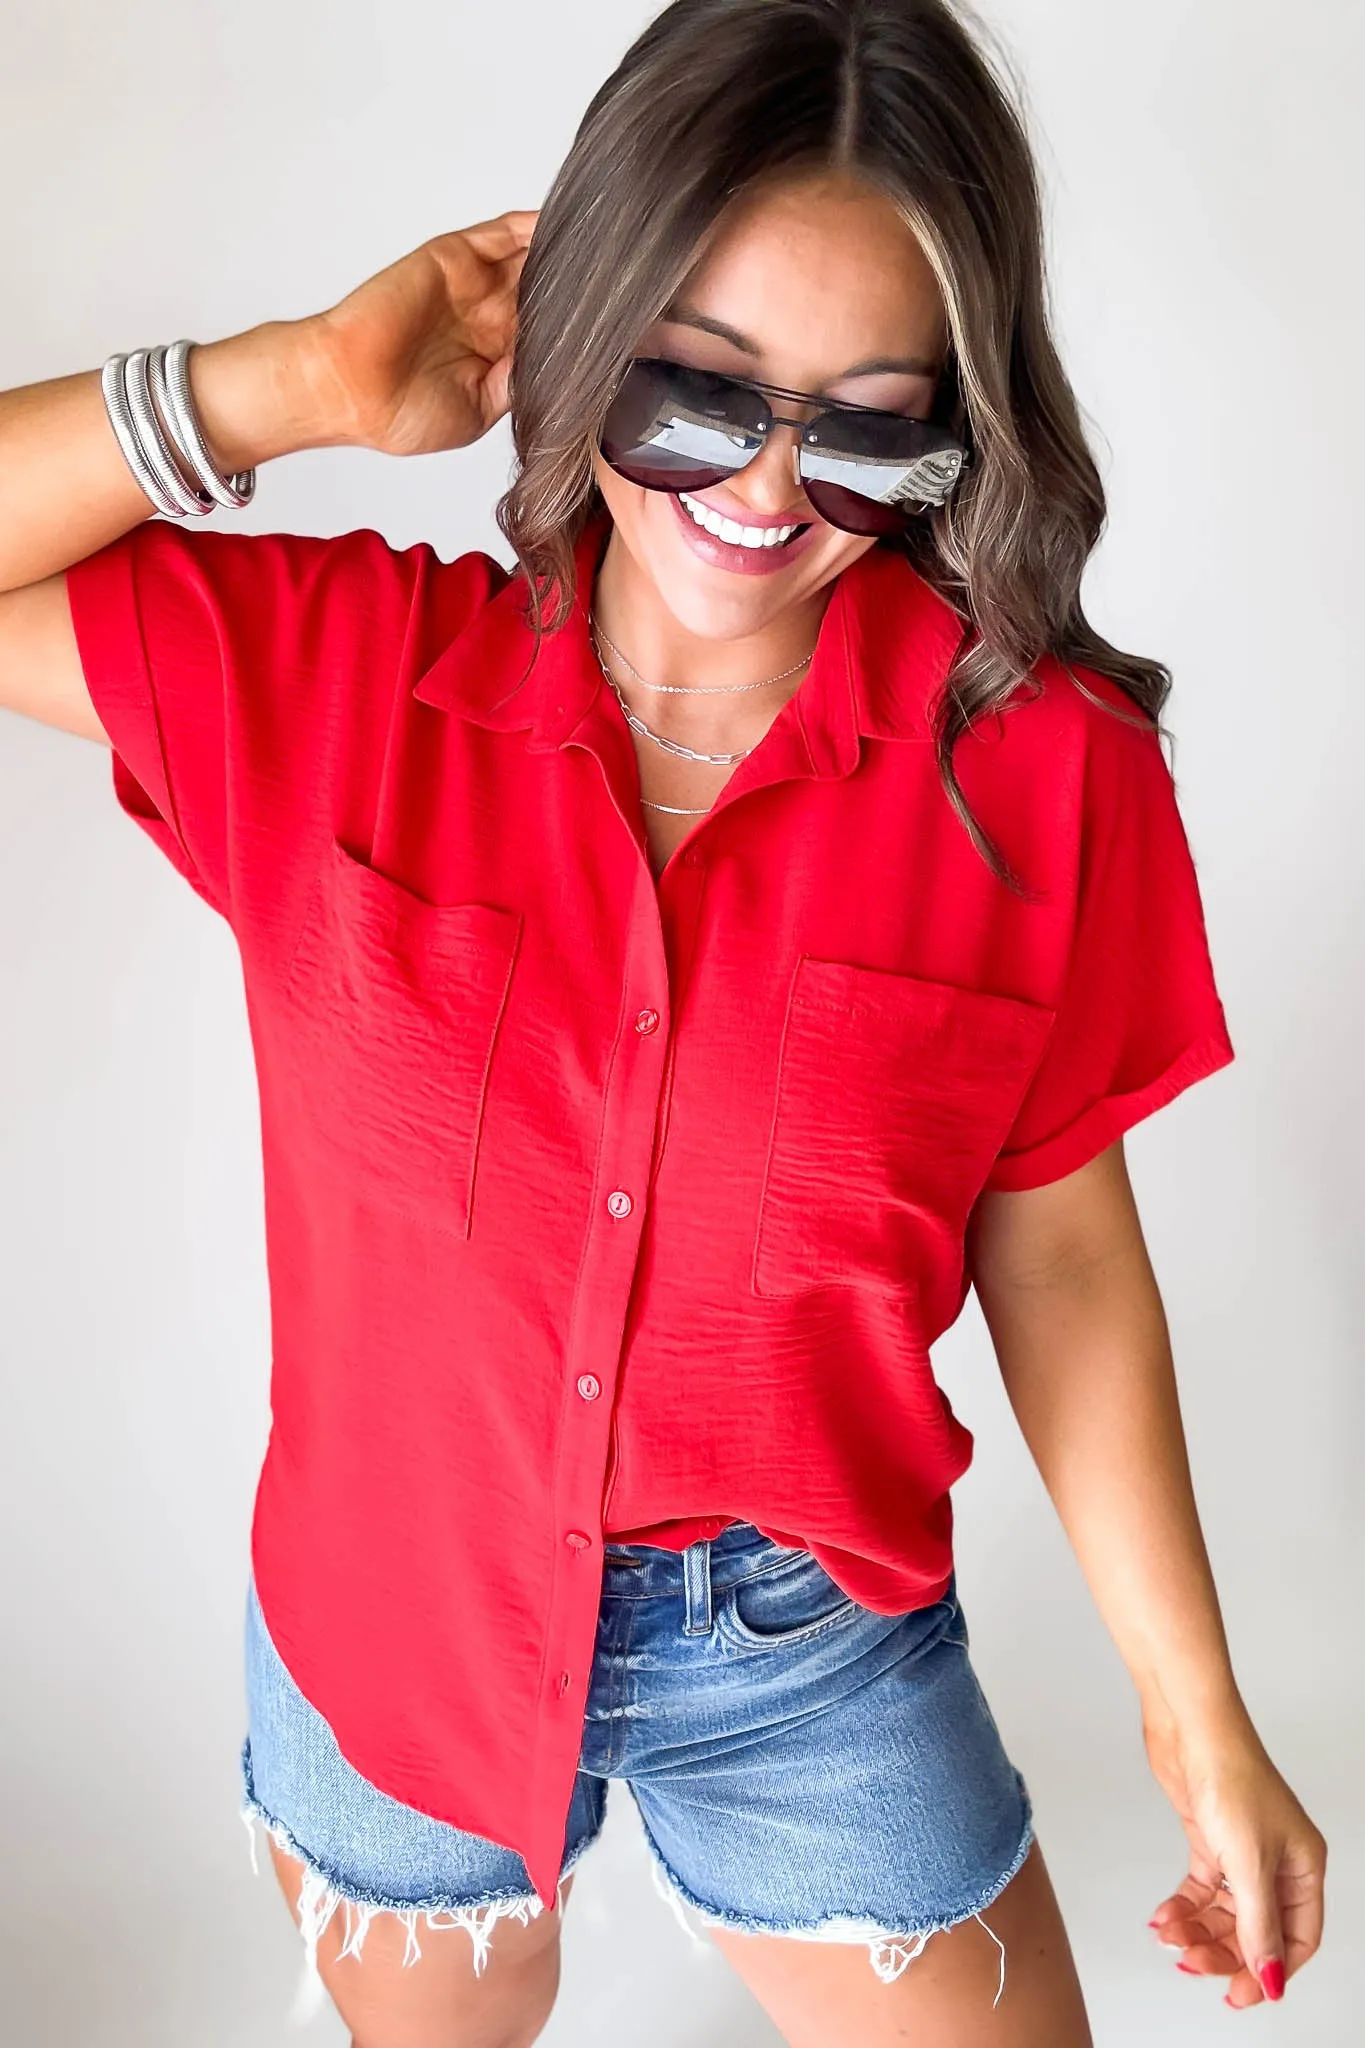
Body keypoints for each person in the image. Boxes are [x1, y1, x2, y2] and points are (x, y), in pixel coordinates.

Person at [0, 1, 1327, 2043]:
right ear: (580, 324)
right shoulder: (336, 676)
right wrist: (295, 382)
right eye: (697, 393)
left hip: (805, 1651)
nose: (772, 485)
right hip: (389, 1613)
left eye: (874, 425)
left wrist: (1196, 1711)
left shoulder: (1043, 775)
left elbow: (1056, 1248)